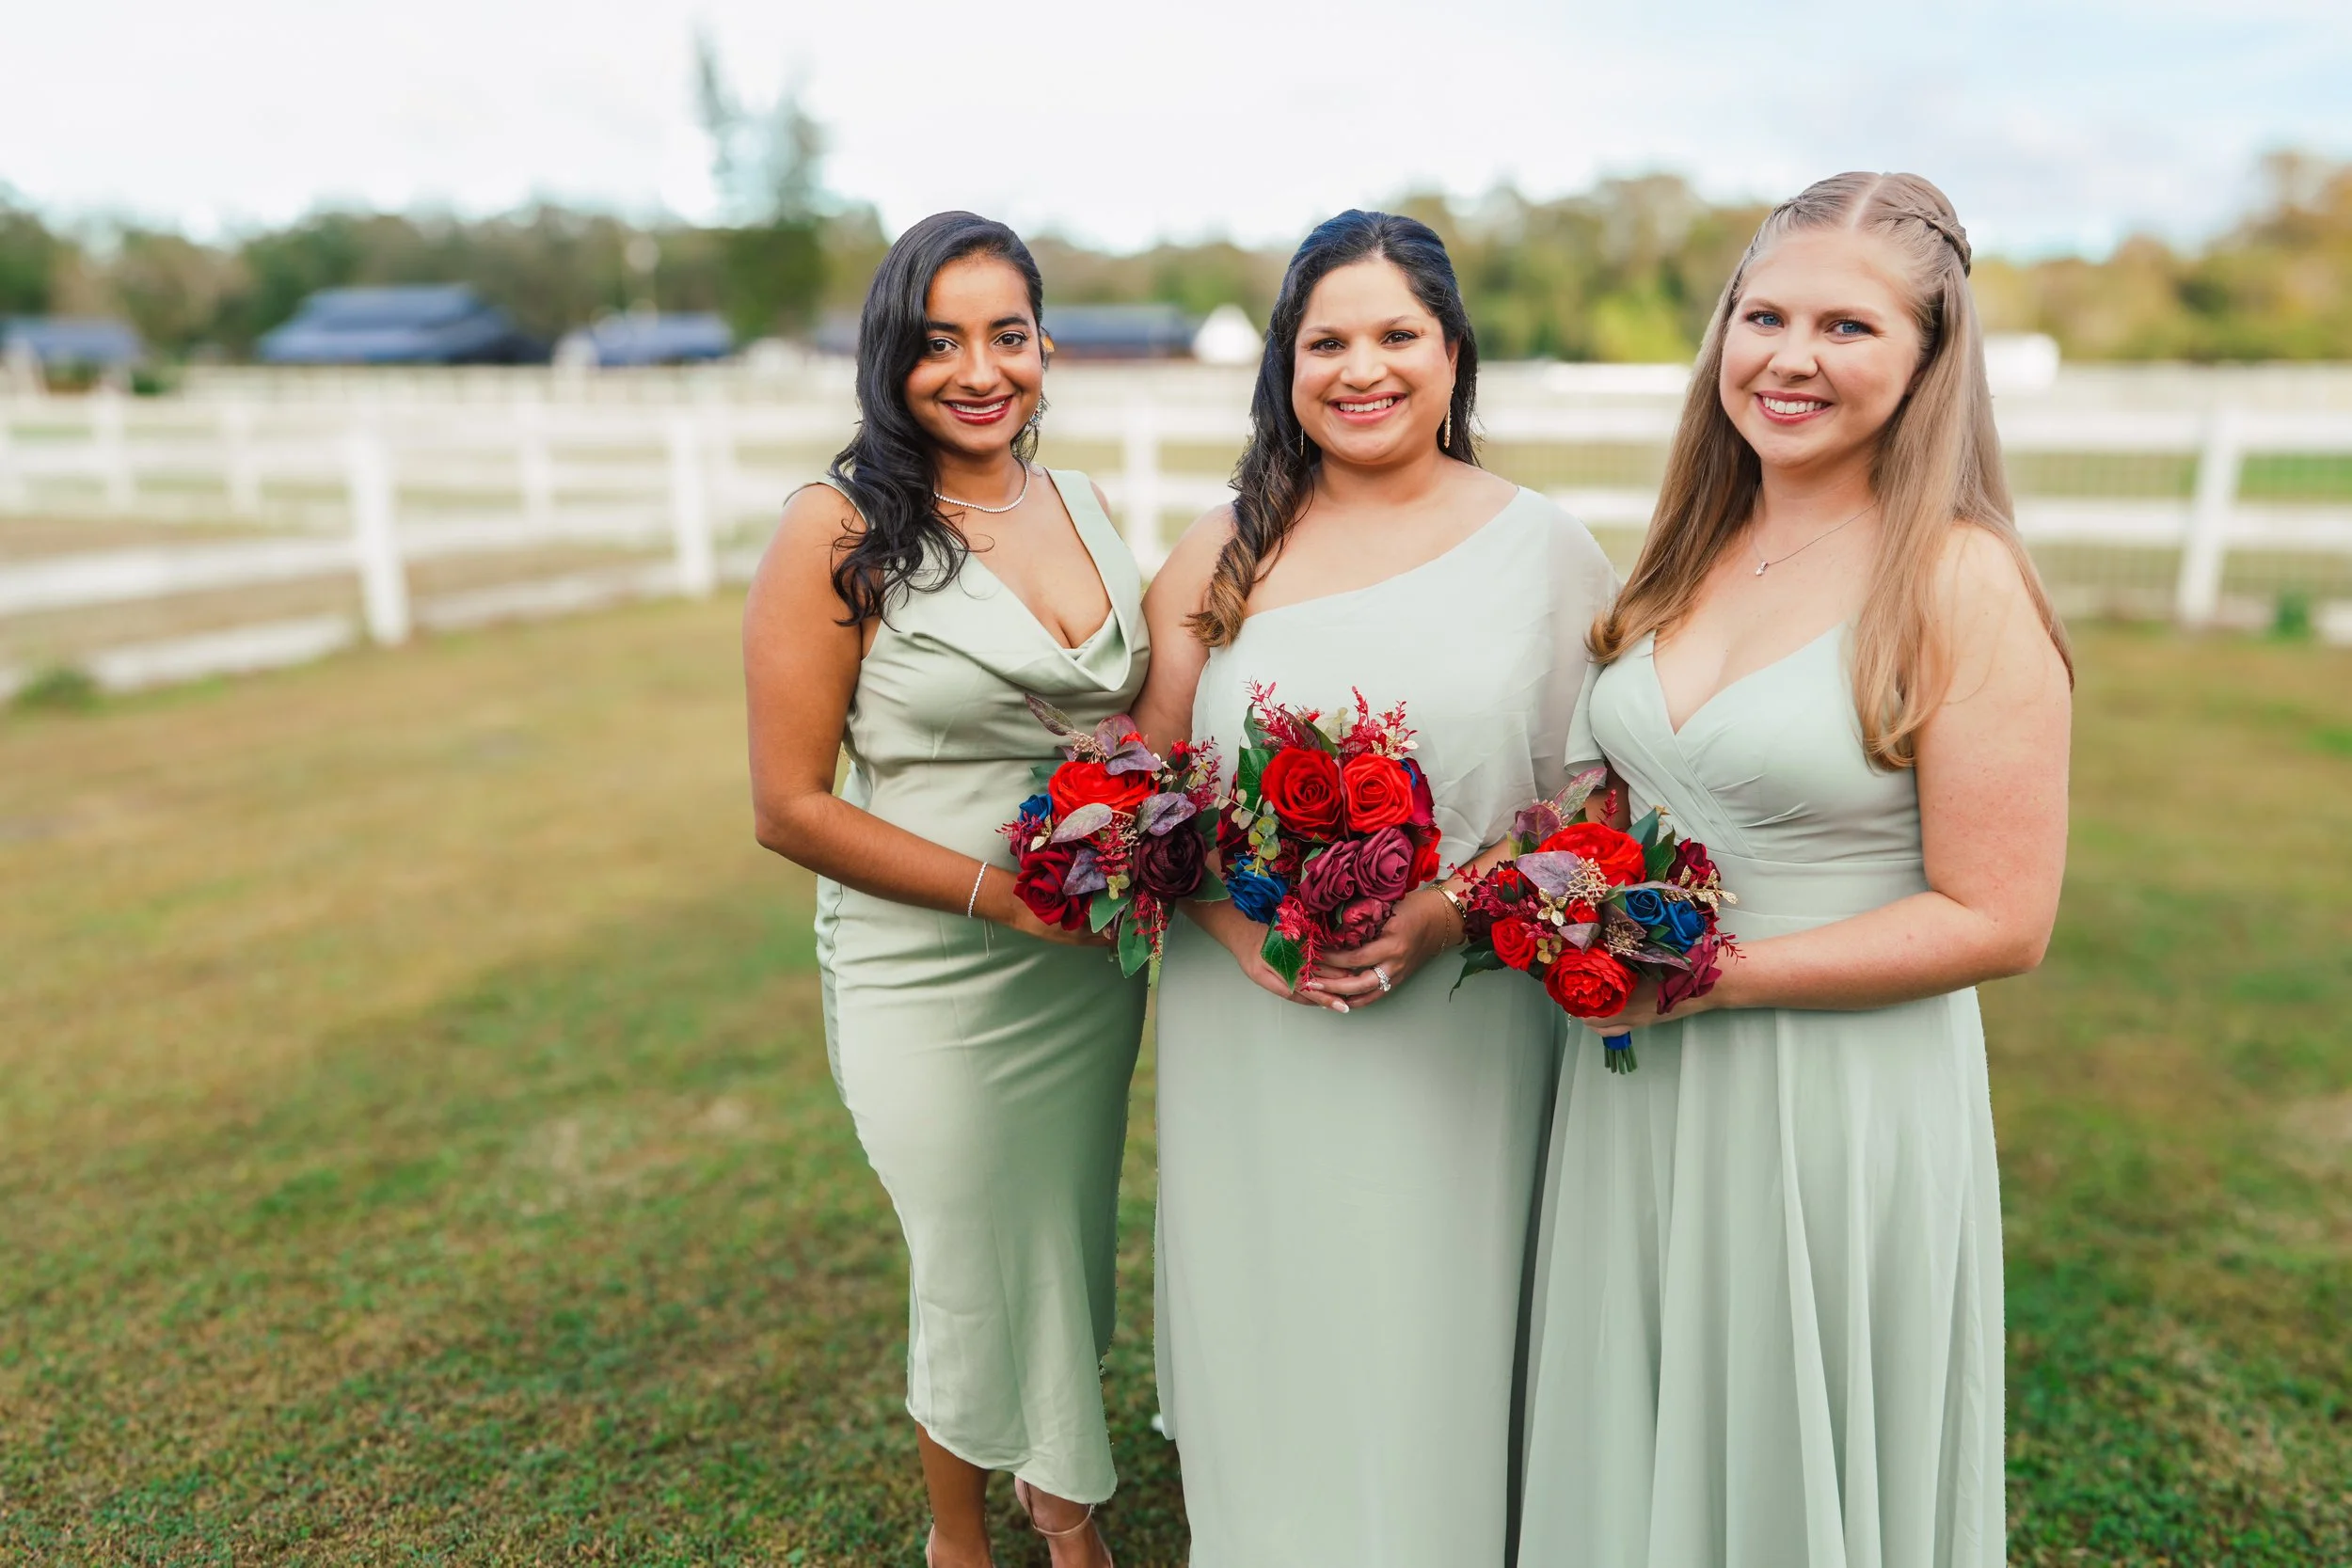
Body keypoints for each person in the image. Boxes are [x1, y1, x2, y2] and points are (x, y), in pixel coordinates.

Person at [1517, 172, 2073, 1568]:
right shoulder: (1693, 549)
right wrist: (1551, 889)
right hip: (1640, 1088)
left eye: (1848, 326)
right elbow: (1621, 794)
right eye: (1763, 314)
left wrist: (1715, 976)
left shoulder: (1959, 579)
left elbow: (2003, 916)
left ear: (1931, 359)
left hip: (1831, 1096)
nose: (1791, 357)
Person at [1132, 210, 1617, 1566]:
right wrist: (1239, 928)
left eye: (1396, 334)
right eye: (1324, 340)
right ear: (1285, 366)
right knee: (1283, 1303)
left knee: (1435, 1315)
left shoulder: (1548, 550)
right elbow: (1146, 785)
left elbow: (1597, 808)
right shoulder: (1226, 545)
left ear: (1453, 354)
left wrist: (1454, 906)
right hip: (1257, 1021)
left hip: (1464, 1020)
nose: (1363, 368)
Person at [744, 211, 1146, 1568]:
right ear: (888, 357)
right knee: (971, 1254)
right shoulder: (837, 526)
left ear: (1046, 346)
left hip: (1081, 968)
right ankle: (969, 1540)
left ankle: (1057, 1495)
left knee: (1057, 1239)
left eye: (1008, 336)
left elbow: (1133, 724)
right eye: (939, 341)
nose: (980, 371)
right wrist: (999, 895)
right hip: (931, 961)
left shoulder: (1083, 502)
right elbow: (787, 806)